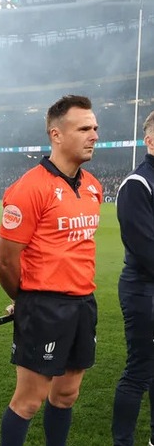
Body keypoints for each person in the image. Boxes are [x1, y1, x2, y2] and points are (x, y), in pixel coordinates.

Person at [0, 95, 101, 446]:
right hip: (44, 308)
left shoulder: (93, 187)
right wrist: (27, 299)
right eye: (84, 128)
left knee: (67, 394)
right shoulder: (29, 188)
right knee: (28, 401)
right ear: (56, 134)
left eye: (95, 127)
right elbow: (5, 261)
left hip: (84, 303)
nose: (94, 135)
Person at [111, 110, 154, 446]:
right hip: (143, 289)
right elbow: (147, 249)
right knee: (139, 369)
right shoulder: (137, 184)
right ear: (149, 139)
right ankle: (123, 441)